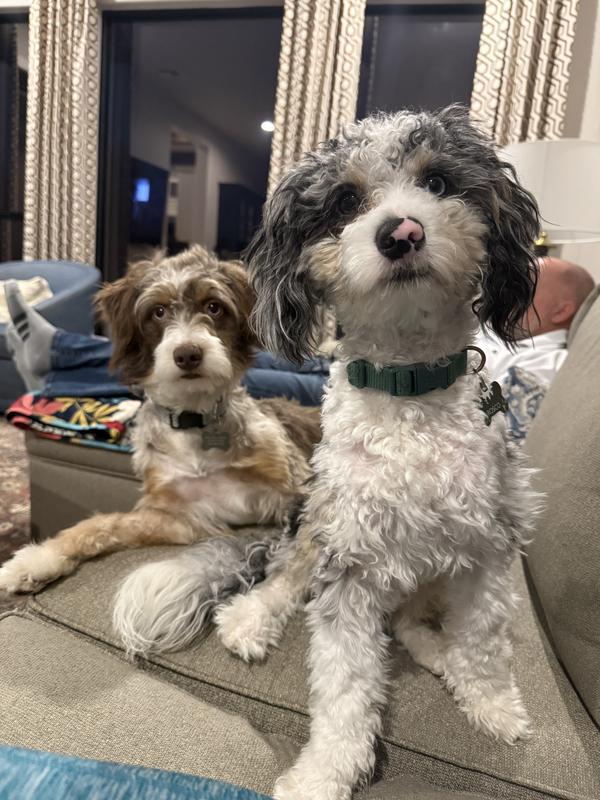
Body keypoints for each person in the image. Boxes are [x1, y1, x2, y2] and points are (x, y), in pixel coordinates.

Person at [3, 281, 329, 407]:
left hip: (336, 390)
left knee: (224, 375)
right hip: (332, 367)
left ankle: (57, 361)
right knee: (274, 358)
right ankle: (55, 357)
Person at [478, 256, 595, 386]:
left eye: (527, 285)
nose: (510, 293)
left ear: (561, 311)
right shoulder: (487, 327)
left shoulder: (548, 365)